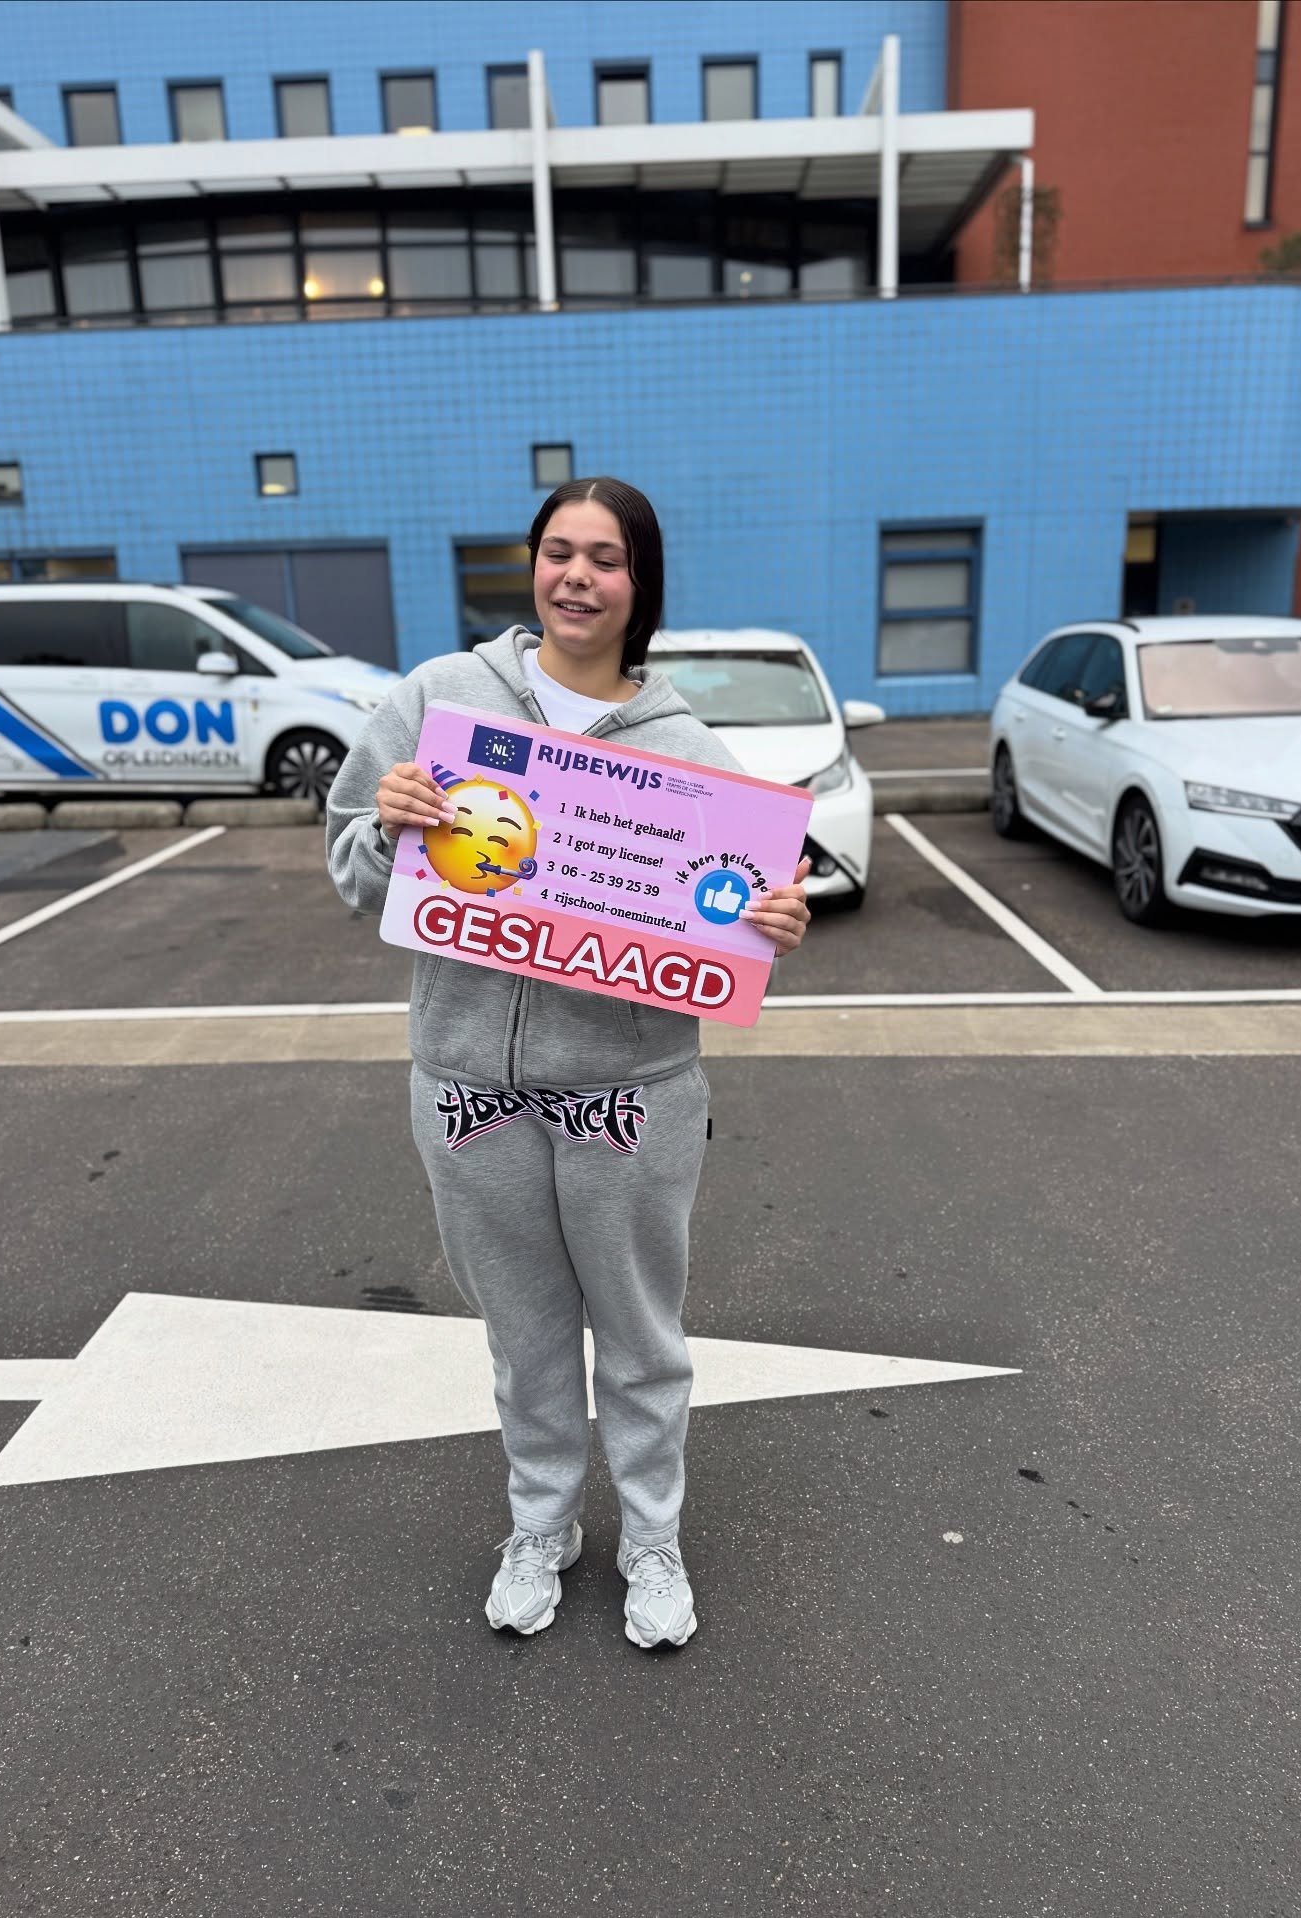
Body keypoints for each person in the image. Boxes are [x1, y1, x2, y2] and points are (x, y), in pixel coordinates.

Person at [325, 477, 810, 1649]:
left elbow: (726, 925)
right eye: (558, 551)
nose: (577, 577)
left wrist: (769, 928)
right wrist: (387, 826)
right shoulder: (440, 700)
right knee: (525, 1333)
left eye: (605, 557)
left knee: (640, 1339)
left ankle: (652, 1537)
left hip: (629, 1094)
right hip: (468, 1083)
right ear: (531, 565)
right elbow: (349, 867)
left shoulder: (688, 749)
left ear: (640, 583)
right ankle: (541, 1525)